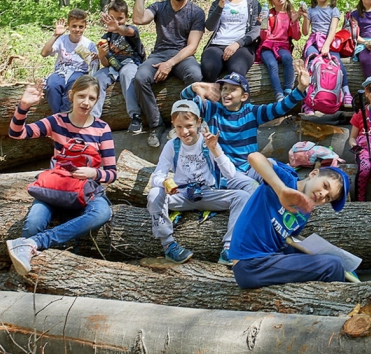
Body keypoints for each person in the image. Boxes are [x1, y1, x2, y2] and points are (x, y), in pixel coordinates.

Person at [5, 76, 116, 277]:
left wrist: (94, 173)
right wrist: (24, 106)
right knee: (33, 224)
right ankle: (25, 269)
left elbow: (112, 173)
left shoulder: (102, 129)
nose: (86, 102)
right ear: (71, 96)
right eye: (81, 96)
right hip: (55, 188)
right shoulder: (56, 121)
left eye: (92, 98)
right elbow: (16, 133)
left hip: (88, 191)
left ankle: (35, 244)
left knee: (102, 213)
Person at [146, 100, 252, 265]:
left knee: (242, 197)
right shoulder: (172, 145)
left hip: (207, 193)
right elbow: (156, 176)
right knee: (154, 193)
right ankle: (169, 245)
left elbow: (230, 174)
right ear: (173, 123)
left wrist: (215, 149)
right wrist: (165, 181)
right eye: (179, 127)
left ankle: (229, 248)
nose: (184, 131)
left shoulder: (206, 142)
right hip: (181, 195)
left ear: (199, 122)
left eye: (189, 125)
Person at [228, 152, 350, 289]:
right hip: (250, 264)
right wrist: (281, 190)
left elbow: (288, 240)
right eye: (325, 186)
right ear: (314, 174)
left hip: (269, 258)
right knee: (332, 266)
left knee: (338, 264)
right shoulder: (287, 180)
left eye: (328, 198)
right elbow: (254, 157)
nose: (323, 195)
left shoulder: (304, 212)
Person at [180, 61, 311, 178]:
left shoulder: (252, 112)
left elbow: (280, 107)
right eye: (224, 88)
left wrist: (300, 88)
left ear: (244, 96)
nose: (226, 92)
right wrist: (194, 87)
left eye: (233, 89)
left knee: (276, 168)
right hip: (222, 171)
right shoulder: (212, 109)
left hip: (248, 168)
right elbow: (184, 104)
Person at [132, 0, 205, 147]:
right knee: (140, 78)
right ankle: (156, 125)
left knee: (195, 76)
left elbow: (192, 46)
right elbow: (138, 19)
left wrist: (169, 64)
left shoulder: (196, 12)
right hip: (159, 54)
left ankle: (183, 121)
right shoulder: (159, 7)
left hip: (183, 56)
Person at [92, 0, 147, 130]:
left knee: (126, 74)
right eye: (112, 18)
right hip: (113, 67)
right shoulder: (106, 37)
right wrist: (101, 55)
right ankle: (93, 118)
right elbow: (106, 64)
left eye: (120, 18)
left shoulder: (130, 30)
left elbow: (128, 32)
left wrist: (118, 28)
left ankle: (135, 116)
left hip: (131, 63)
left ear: (127, 17)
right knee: (96, 78)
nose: (115, 22)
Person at [201, 0, 262, 83]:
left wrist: (237, 44)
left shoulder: (252, 3)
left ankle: (240, 100)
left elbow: (256, 30)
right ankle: (211, 99)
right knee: (208, 69)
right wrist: (221, 3)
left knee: (236, 71)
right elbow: (210, 27)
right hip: (217, 45)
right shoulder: (217, 3)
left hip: (242, 47)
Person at [301, 0, 353, 109]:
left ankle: (346, 92)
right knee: (311, 62)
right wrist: (305, 17)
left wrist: (326, 45)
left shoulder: (333, 10)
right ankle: (309, 97)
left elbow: (332, 30)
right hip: (314, 40)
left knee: (337, 63)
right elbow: (305, 31)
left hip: (329, 41)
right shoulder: (311, 10)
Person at [41, 9, 98, 114]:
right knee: (53, 85)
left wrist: (95, 58)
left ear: (85, 26)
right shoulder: (61, 40)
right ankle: (58, 117)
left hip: (79, 72)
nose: (77, 30)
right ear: (68, 26)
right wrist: (55, 35)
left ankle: (65, 117)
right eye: (74, 26)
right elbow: (44, 53)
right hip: (61, 71)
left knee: (73, 87)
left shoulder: (89, 44)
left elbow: (94, 67)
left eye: (81, 27)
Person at [260, 0, 303, 102]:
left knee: (287, 59)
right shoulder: (269, 14)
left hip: (283, 45)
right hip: (267, 46)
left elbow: (297, 36)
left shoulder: (291, 13)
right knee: (272, 64)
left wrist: (294, 22)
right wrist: (263, 27)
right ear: (271, 1)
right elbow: (264, 38)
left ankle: (288, 90)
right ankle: (278, 94)